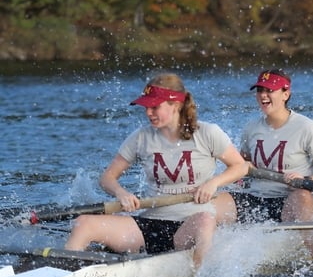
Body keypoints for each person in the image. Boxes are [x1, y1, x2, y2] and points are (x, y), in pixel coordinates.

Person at [65, 73, 248, 267]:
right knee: (83, 223)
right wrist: (121, 193)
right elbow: (107, 178)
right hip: (150, 224)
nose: (148, 113)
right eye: (146, 107)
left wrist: (213, 183)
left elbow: (240, 166)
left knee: (205, 220)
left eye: (155, 107)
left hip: (190, 225)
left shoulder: (207, 133)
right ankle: (63, 276)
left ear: (176, 105)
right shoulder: (141, 138)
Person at [232, 68, 313, 252]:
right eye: (260, 90)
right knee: (211, 206)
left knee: (304, 196)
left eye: (269, 90)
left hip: (290, 199)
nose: (263, 96)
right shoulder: (251, 128)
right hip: (255, 198)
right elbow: (240, 165)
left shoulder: (306, 127)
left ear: (285, 94)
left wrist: (307, 182)